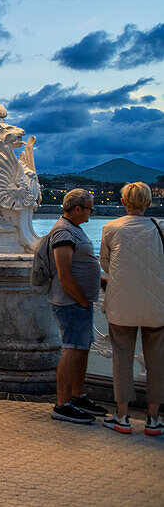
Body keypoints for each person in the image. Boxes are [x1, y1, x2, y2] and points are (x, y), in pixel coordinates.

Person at [98, 181, 164, 436]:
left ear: (123, 202)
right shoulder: (160, 227)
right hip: (156, 306)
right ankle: (153, 418)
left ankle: (122, 416)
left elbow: (105, 264)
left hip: (121, 305)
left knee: (121, 360)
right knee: (157, 362)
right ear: (148, 203)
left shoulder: (111, 228)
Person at [47, 188, 108, 424]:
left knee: (81, 349)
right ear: (78, 208)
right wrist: (82, 299)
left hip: (78, 301)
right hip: (70, 302)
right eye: (90, 208)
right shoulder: (63, 232)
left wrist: (99, 281)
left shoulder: (72, 229)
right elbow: (64, 273)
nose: (92, 212)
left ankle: (77, 396)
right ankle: (62, 404)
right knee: (72, 350)